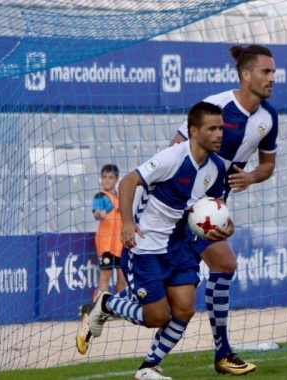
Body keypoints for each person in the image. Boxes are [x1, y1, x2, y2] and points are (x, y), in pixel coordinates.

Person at [77, 101, 231, 380]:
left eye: (221, 127)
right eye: (213, 128)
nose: (220, 133)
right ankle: (106, 303)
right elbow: (127, 182)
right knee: (157, 318)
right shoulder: (172, 158)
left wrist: (223, 225)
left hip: (178, 246)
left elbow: (213, 205)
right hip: (145, 247)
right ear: (194, 131)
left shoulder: (217, 167)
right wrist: (127, 223)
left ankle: (148, 368)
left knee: (185, 309)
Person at [168, 44, 278, 376]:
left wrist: (251, 176)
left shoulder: (268, 117)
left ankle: (223, 352)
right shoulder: (216, 106)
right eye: (266, 71)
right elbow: (174, 149)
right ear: (246, 75)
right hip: (177, 207)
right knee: (159, 307)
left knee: (225, 264)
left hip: (207, 212)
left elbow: (268, 164)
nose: (273, 78)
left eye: (273, 72)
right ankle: (105, 307)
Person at [92, 164, 126, 298]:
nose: (107, 180)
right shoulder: (100, 196)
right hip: (106, 243)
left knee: (122, 275)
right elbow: (96, 213)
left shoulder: (120, 196)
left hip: (120, 243)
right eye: (104, 177)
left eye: (110, 177)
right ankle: (102, 308)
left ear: (116, 179)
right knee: (105, 275)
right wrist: (99, 214)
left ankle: (120, 306)